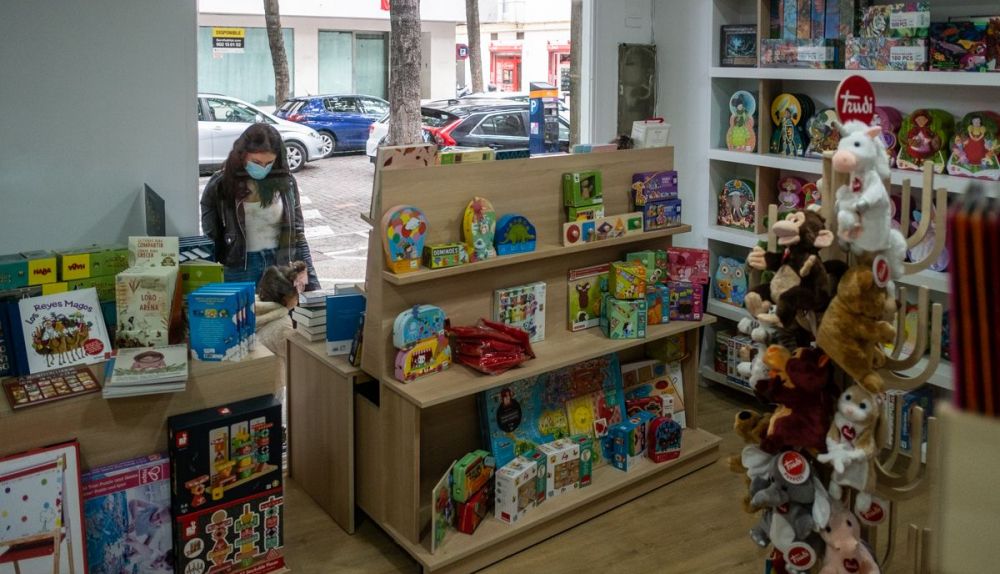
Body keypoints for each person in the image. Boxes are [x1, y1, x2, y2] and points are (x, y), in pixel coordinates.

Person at [200, 123, 320, 290]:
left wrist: (311, 281)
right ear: (242, 156)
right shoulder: (220, 185)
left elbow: (298, 234)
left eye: (269, 163)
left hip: (279, 267)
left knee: (280, 316)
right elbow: (210, 238)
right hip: (238, 268)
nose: (263, 168)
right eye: (256, 162)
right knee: (241, 316)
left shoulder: (286, 183)